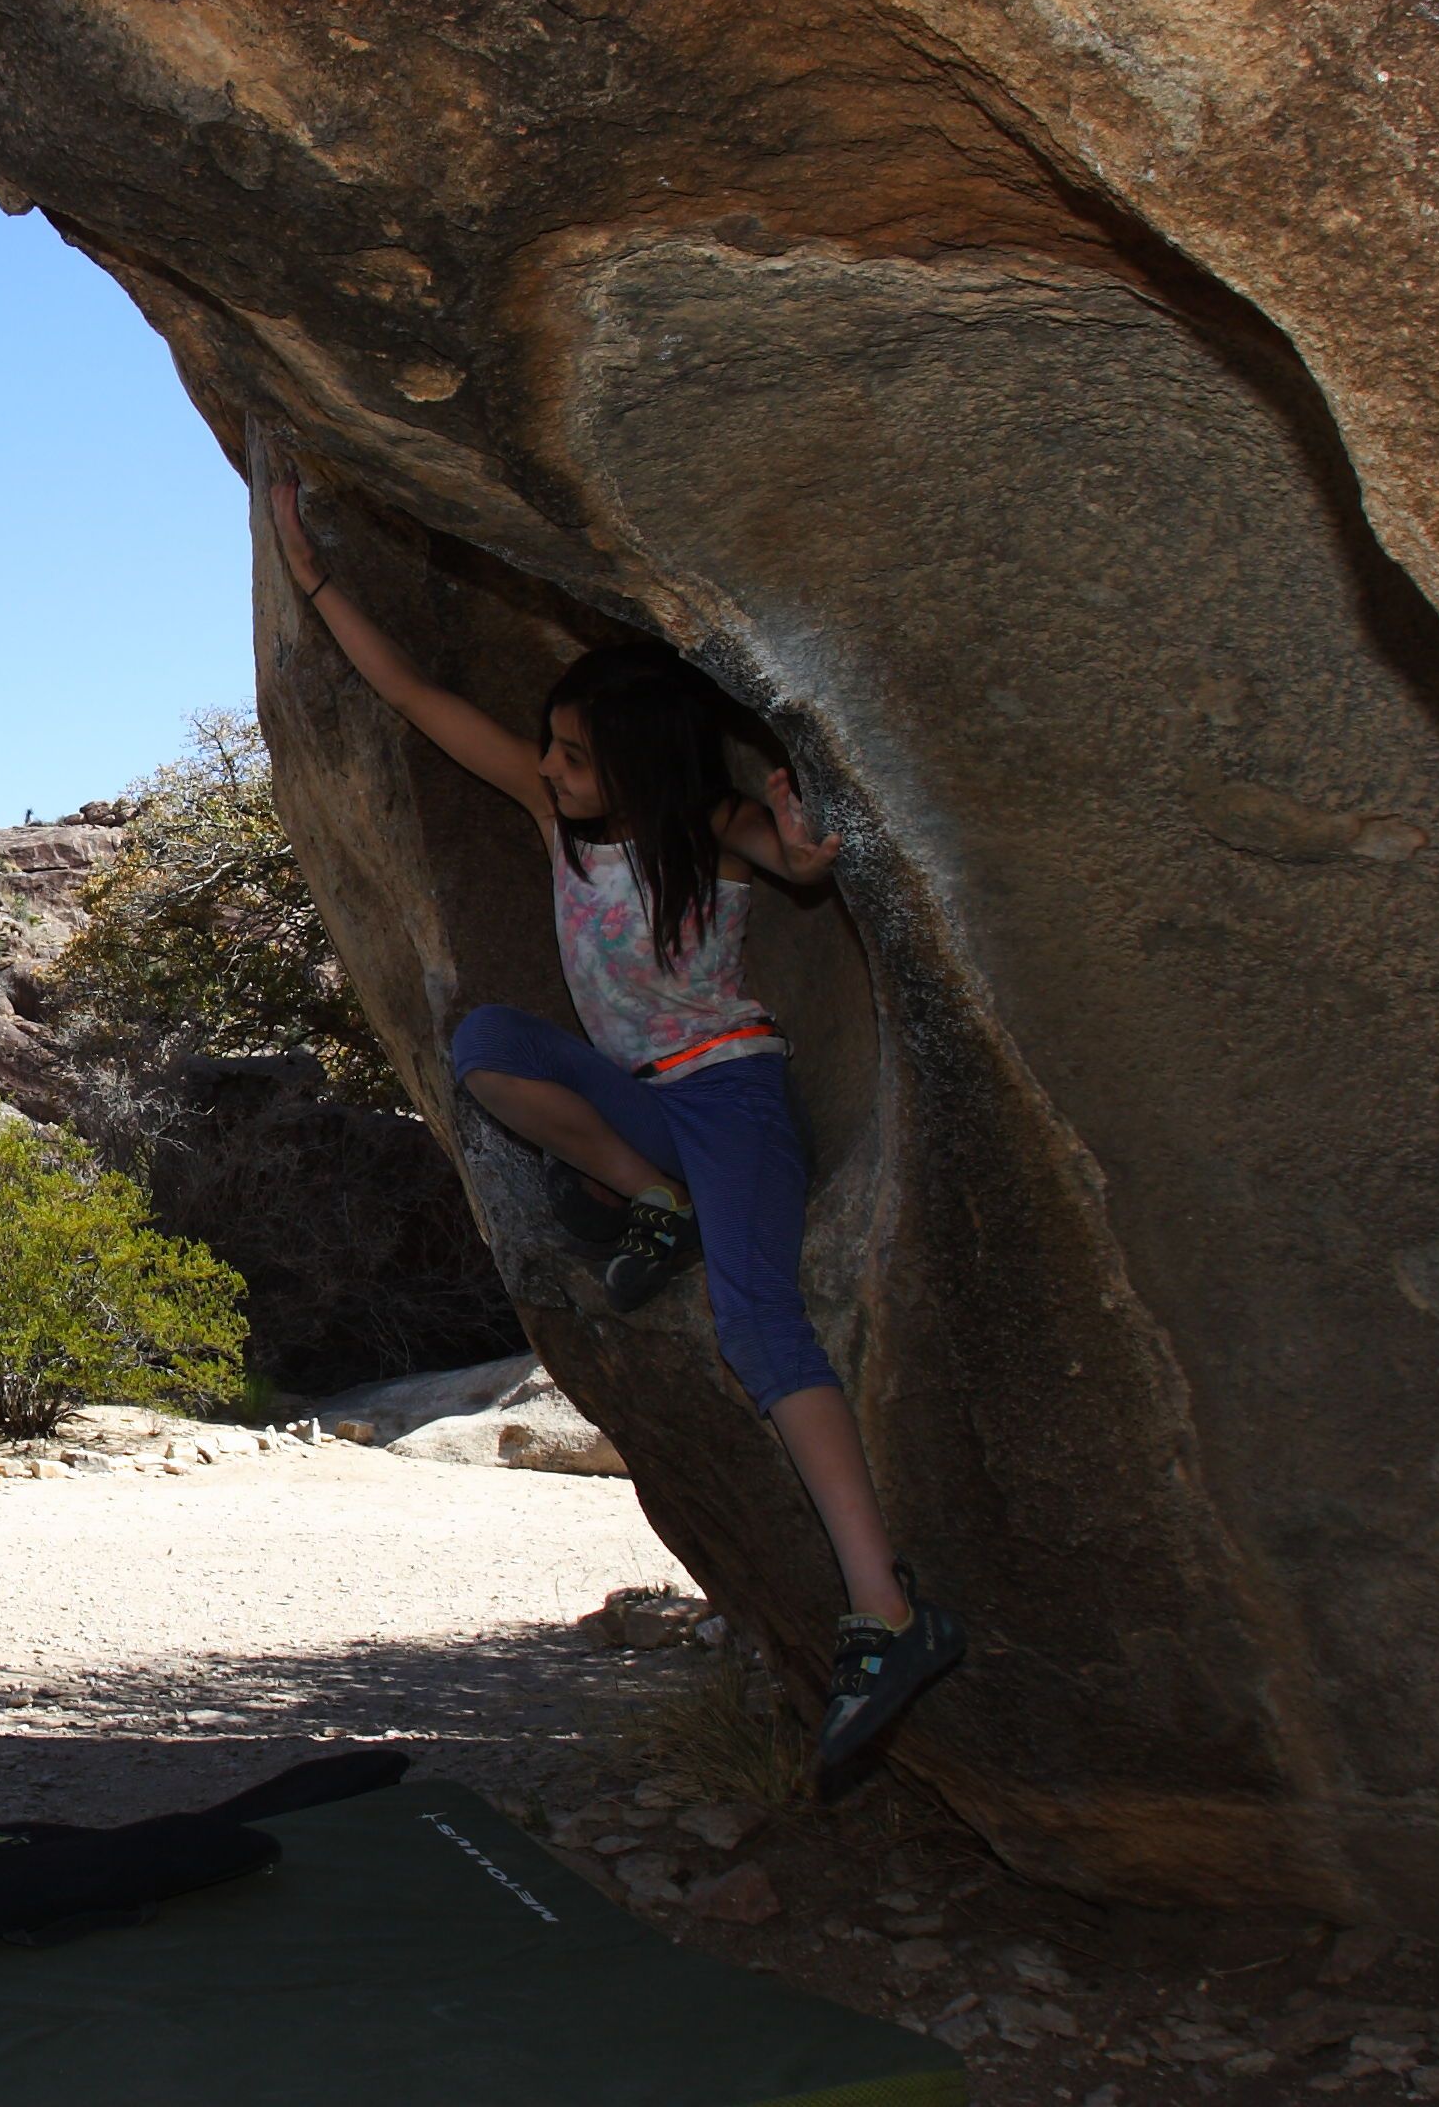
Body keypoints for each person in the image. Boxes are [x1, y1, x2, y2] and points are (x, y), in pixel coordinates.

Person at [269, 457, 964, 1794]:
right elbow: (415, 696)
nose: (551, 763)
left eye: (577, 752)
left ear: (636, 763)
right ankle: (653, 1199)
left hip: (735, 1091)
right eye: (553, 744)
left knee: (764, 1327)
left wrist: (810, 851)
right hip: (637, 1097)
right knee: (489, 1051)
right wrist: (310, 573)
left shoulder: (706, 830)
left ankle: (886, 1609)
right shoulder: (552, 817)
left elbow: (790, 843)